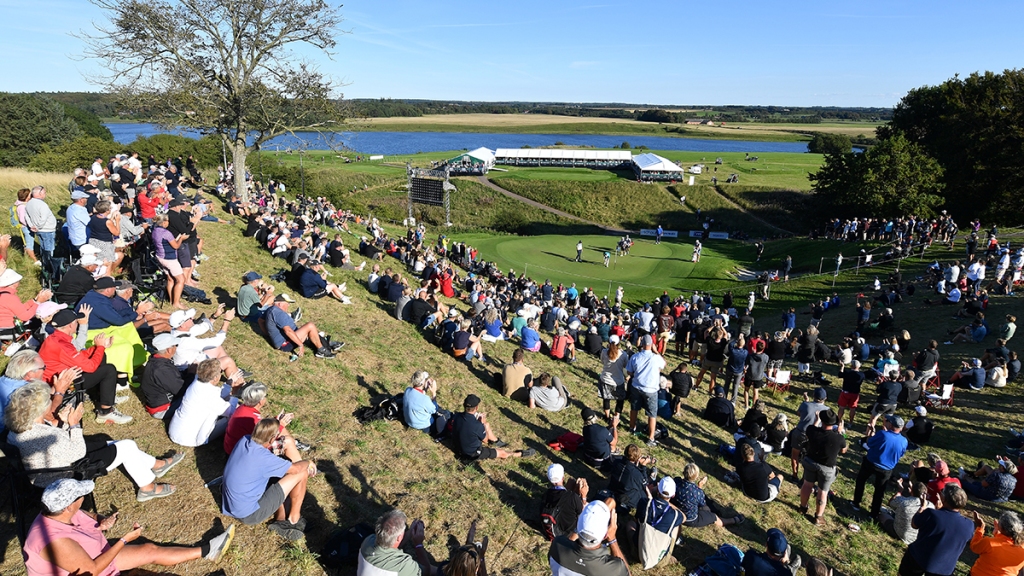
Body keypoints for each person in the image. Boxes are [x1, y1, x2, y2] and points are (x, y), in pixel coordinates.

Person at [6, 381, 183, 501]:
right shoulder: (44, 435)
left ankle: (157, 464)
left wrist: (62, 423)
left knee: (114, 444)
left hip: (47, 470)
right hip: (66, 474)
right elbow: (77, 452)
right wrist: (73, 425)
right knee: (127, 447)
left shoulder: (17, 429)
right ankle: (147, 488)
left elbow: (57, 446)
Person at [22, 478, 234, 576]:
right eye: (80, 496)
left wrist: (101, 519)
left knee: (149, 550)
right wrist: (124, 540)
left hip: (99, 557)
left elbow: (87, 515)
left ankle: (209, 551)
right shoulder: (52, 541)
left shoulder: (57, 513)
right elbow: (92, 570)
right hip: (95, 568)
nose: (84, 497)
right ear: (68, 505)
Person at [222, 418, 315, 541]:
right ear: (272, 439)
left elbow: (265, 453)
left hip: (232, 505)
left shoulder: (244, 440)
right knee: (302, 473)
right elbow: (296, 469)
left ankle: (280, 519)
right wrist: (308, 462)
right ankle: (293, 519)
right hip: (250, 514)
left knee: (277, 477)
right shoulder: (264, 459)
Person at [38, 308, 129, 425]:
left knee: (99, 354)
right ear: (70, 325)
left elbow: (77, 356)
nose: (78, 323)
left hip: (62, 375)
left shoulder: (55, 338)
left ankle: (104, 396)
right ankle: (105, 411)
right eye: (76, 321)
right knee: (109, 370)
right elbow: (90, 367)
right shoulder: (62, 345)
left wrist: (98, 348)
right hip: (60, 385)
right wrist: (100, 347)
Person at [899, 485, 974, 576]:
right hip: (944, 569)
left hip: (918, 557)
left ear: (944, 499)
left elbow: (914, 524)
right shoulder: (969, 525)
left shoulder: (931, 514)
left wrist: (922, 508)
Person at [168, 358, 241, 447]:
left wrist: (228, 384)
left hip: (175, 430)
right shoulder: (209, 396)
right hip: (189, 439)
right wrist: (235, 393)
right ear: (215, 378)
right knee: (234, 416)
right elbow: (230, 411)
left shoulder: (197, 381)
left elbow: (218, 395)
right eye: (220, 372)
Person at [547, 498, 629, 576]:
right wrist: (612, 539)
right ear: (605, 536)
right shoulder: (616, 569)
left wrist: (581, 527)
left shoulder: (557, 545)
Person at [853, 414, 909, 518]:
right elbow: (901, 454)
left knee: (861, 480)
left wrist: (871, 433)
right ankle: (873, 513)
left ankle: (856, 503)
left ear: (891, 425)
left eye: (888, 421)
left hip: (871, 462)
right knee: (879, 491)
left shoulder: (883, 434)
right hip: (887, 469)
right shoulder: (904, 441)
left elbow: (869, 443)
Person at [798, 409, 847, 525]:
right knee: (823, 491)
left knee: (807, 484)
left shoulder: (812, 430)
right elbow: (843, 450)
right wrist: (840, 432)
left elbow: (810, 430)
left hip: (810, 462)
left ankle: (803, 508)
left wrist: (816, 421)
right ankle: (818, 517)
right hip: (827, 468)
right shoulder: (838, 438)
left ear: (822, 420)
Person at [450, 394, 535, 460]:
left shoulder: (457, 416)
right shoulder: (477, 425)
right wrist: (483, 425)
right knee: (502, 453)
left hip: (457, 448)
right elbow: (485, 441)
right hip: (471, 454)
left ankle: (496, 441)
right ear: (476, 407)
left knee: (485, 426)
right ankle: (521, 454)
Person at [357, 509, 437, 576]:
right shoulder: (402, 565)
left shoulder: (368, 541)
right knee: (433, 570)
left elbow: (392, 543)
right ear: (399, 537)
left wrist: (409, 533)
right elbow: (426, 571)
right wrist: (418, 544)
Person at [261, 293, 336, 359]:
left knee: (310, 332)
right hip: (284, 344)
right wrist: (300, 345)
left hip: (283, 340)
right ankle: (321, 351)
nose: (288, 305)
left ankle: (326, 344)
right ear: (280, 304)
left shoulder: (271, 309)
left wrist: (267, 333)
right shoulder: (278, 313)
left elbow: (260, 320)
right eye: (287, 303)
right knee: (310, 326)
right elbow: (288, 331)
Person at [673, 462, 744, 528]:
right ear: (696, 477)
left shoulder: (676, 481)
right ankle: (733, 520)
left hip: (675, 511)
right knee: (714, 517)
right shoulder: (697, 492)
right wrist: (700, 486)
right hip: (689, 519)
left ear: (683, 472)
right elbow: (702, 505)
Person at [626, 334, 666, 447]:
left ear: (642, 344)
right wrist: (656, 351)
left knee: (634, 408)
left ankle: (631, 427)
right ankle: (651, 437)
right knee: (652, 413)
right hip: (651, 389)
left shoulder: (635, 357)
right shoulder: (656, 358)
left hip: (637, 386)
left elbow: (629, 371)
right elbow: (664, 364)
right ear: (652, 344)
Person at [139, 332, 187, 418]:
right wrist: (192, 375)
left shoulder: (156, 360)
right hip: (163, 409)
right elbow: (181, 391)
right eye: (175, 345)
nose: (176, 347)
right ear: (169, 350)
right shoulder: (162, 369)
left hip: (160, 404)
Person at [969, 510, 1024, 576]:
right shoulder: (1022, 548)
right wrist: (997, 535)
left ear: (1001, 528)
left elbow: (974, 547)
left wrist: (980, 528)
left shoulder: (989, 542)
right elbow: (1003, 545)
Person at [540, 463, 587, 539]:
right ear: (563, 478)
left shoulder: (546, 494)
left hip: (555, 527)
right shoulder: (572, 497)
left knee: (571, 482)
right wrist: (584, 495)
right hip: (568, 533)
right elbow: (582, 512)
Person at [597, 335, 629, 419]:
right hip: (618, 381)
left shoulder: (604, 352)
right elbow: (626, 366)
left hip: (606, 379)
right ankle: (616, 416)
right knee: (620, 400)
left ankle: (607, 416)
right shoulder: (623, 354)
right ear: (619, 343)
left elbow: (602, 361)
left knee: (606, 398)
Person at [403, 371, 444, 435]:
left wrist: (425, 388)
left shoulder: (407, 390)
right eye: (425, 379)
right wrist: (434, 393)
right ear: (422, 383)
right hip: (422, 425)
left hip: (408, 421)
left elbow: (418, 396)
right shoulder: (425, 399)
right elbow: (434, 410)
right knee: (439, 416)